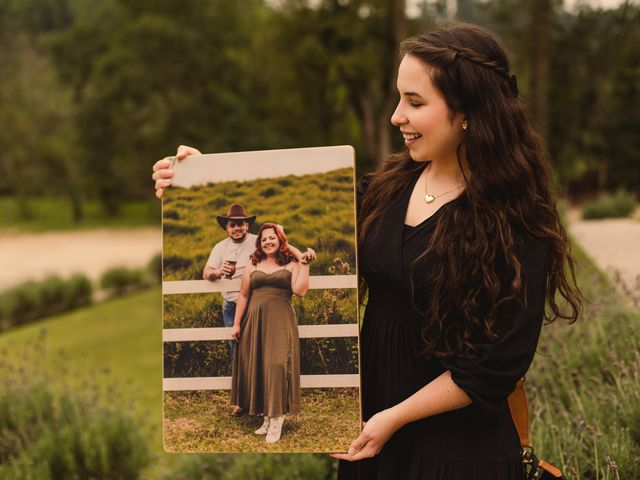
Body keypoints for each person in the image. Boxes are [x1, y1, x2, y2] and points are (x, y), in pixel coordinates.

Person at [153, 22, 582, 478]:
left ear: (467, 112)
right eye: (399, 99)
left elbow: (492, 367)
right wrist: (201, 175)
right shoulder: (389, 185)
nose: (397, 116)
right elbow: (283, 230)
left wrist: (393, 419)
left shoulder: (515, 219)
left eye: (415, 103)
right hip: (371, 441)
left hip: (455, 453)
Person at [231, 222, 316, 443]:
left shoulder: (292, 263)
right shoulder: (253, 263)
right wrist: (237, 324)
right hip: (254, 321)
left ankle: (277, 418)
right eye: (264, 238)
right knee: (260, 366)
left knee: (277, 365)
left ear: (280, 240)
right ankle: (267, 416)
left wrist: (303, 262)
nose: (268, 241)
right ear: (259, 242)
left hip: (280, 321)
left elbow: (300, 291)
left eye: (273, 237)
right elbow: (243, 295)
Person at [202, 203, 258, 360]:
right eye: (232, 225)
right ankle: (239, 381)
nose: (237, 228)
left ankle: (257, 381)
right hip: (231, 305)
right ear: (227, 228)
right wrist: (217, 272)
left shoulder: (257, 242)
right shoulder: (220, 247)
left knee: (257, 344)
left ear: (247, 225)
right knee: (236, 346)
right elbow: (206, 272)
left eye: (240, 224)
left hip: (255, 302)